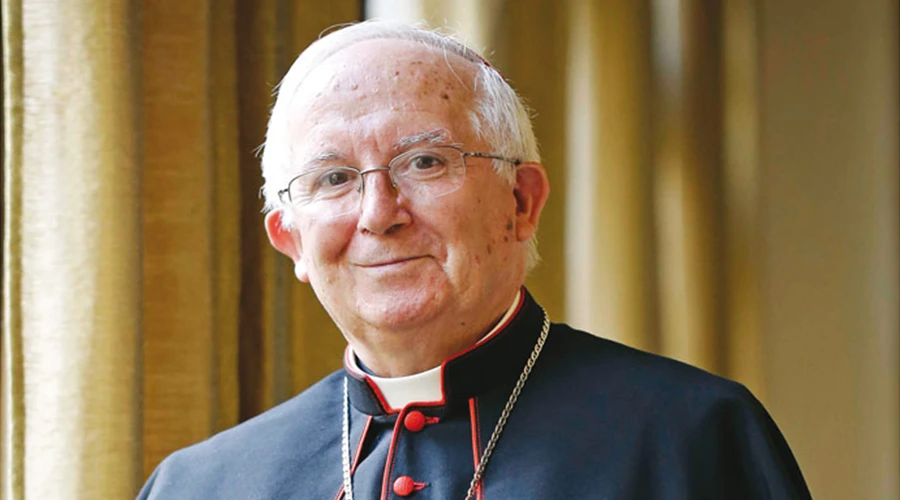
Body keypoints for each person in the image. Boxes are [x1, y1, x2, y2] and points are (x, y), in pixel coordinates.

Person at [138, 20, 812, 500]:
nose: (379, 212)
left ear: (521, 201)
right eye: (334, 178)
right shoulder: (199, 484)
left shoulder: (692, 439)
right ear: (291, 241)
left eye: (425, 162)